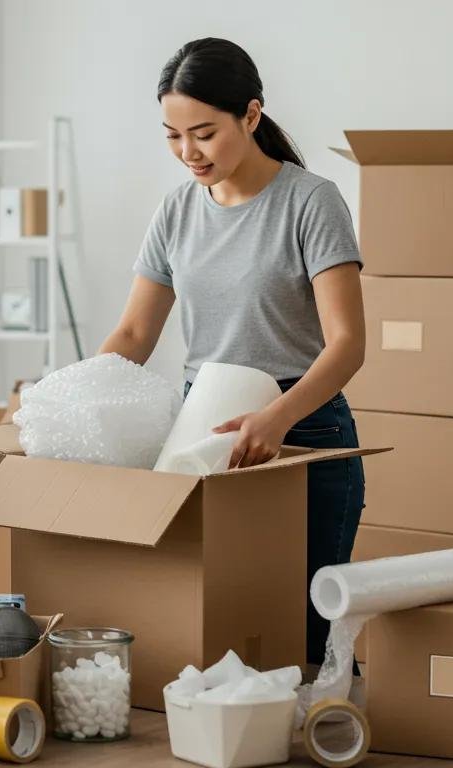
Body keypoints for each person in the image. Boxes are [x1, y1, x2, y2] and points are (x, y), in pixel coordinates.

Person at [97, 38, 366, 667]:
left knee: (307, 632)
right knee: (221, 617)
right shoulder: (176, 211)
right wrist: (74, 401)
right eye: (172, 135)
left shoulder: (310, 201)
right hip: (204, 429)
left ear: (251, 115)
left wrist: (275, 418)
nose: (188, 153)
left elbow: (348, 343)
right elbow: (134, 336)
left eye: (204, 133)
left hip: (305, 428)